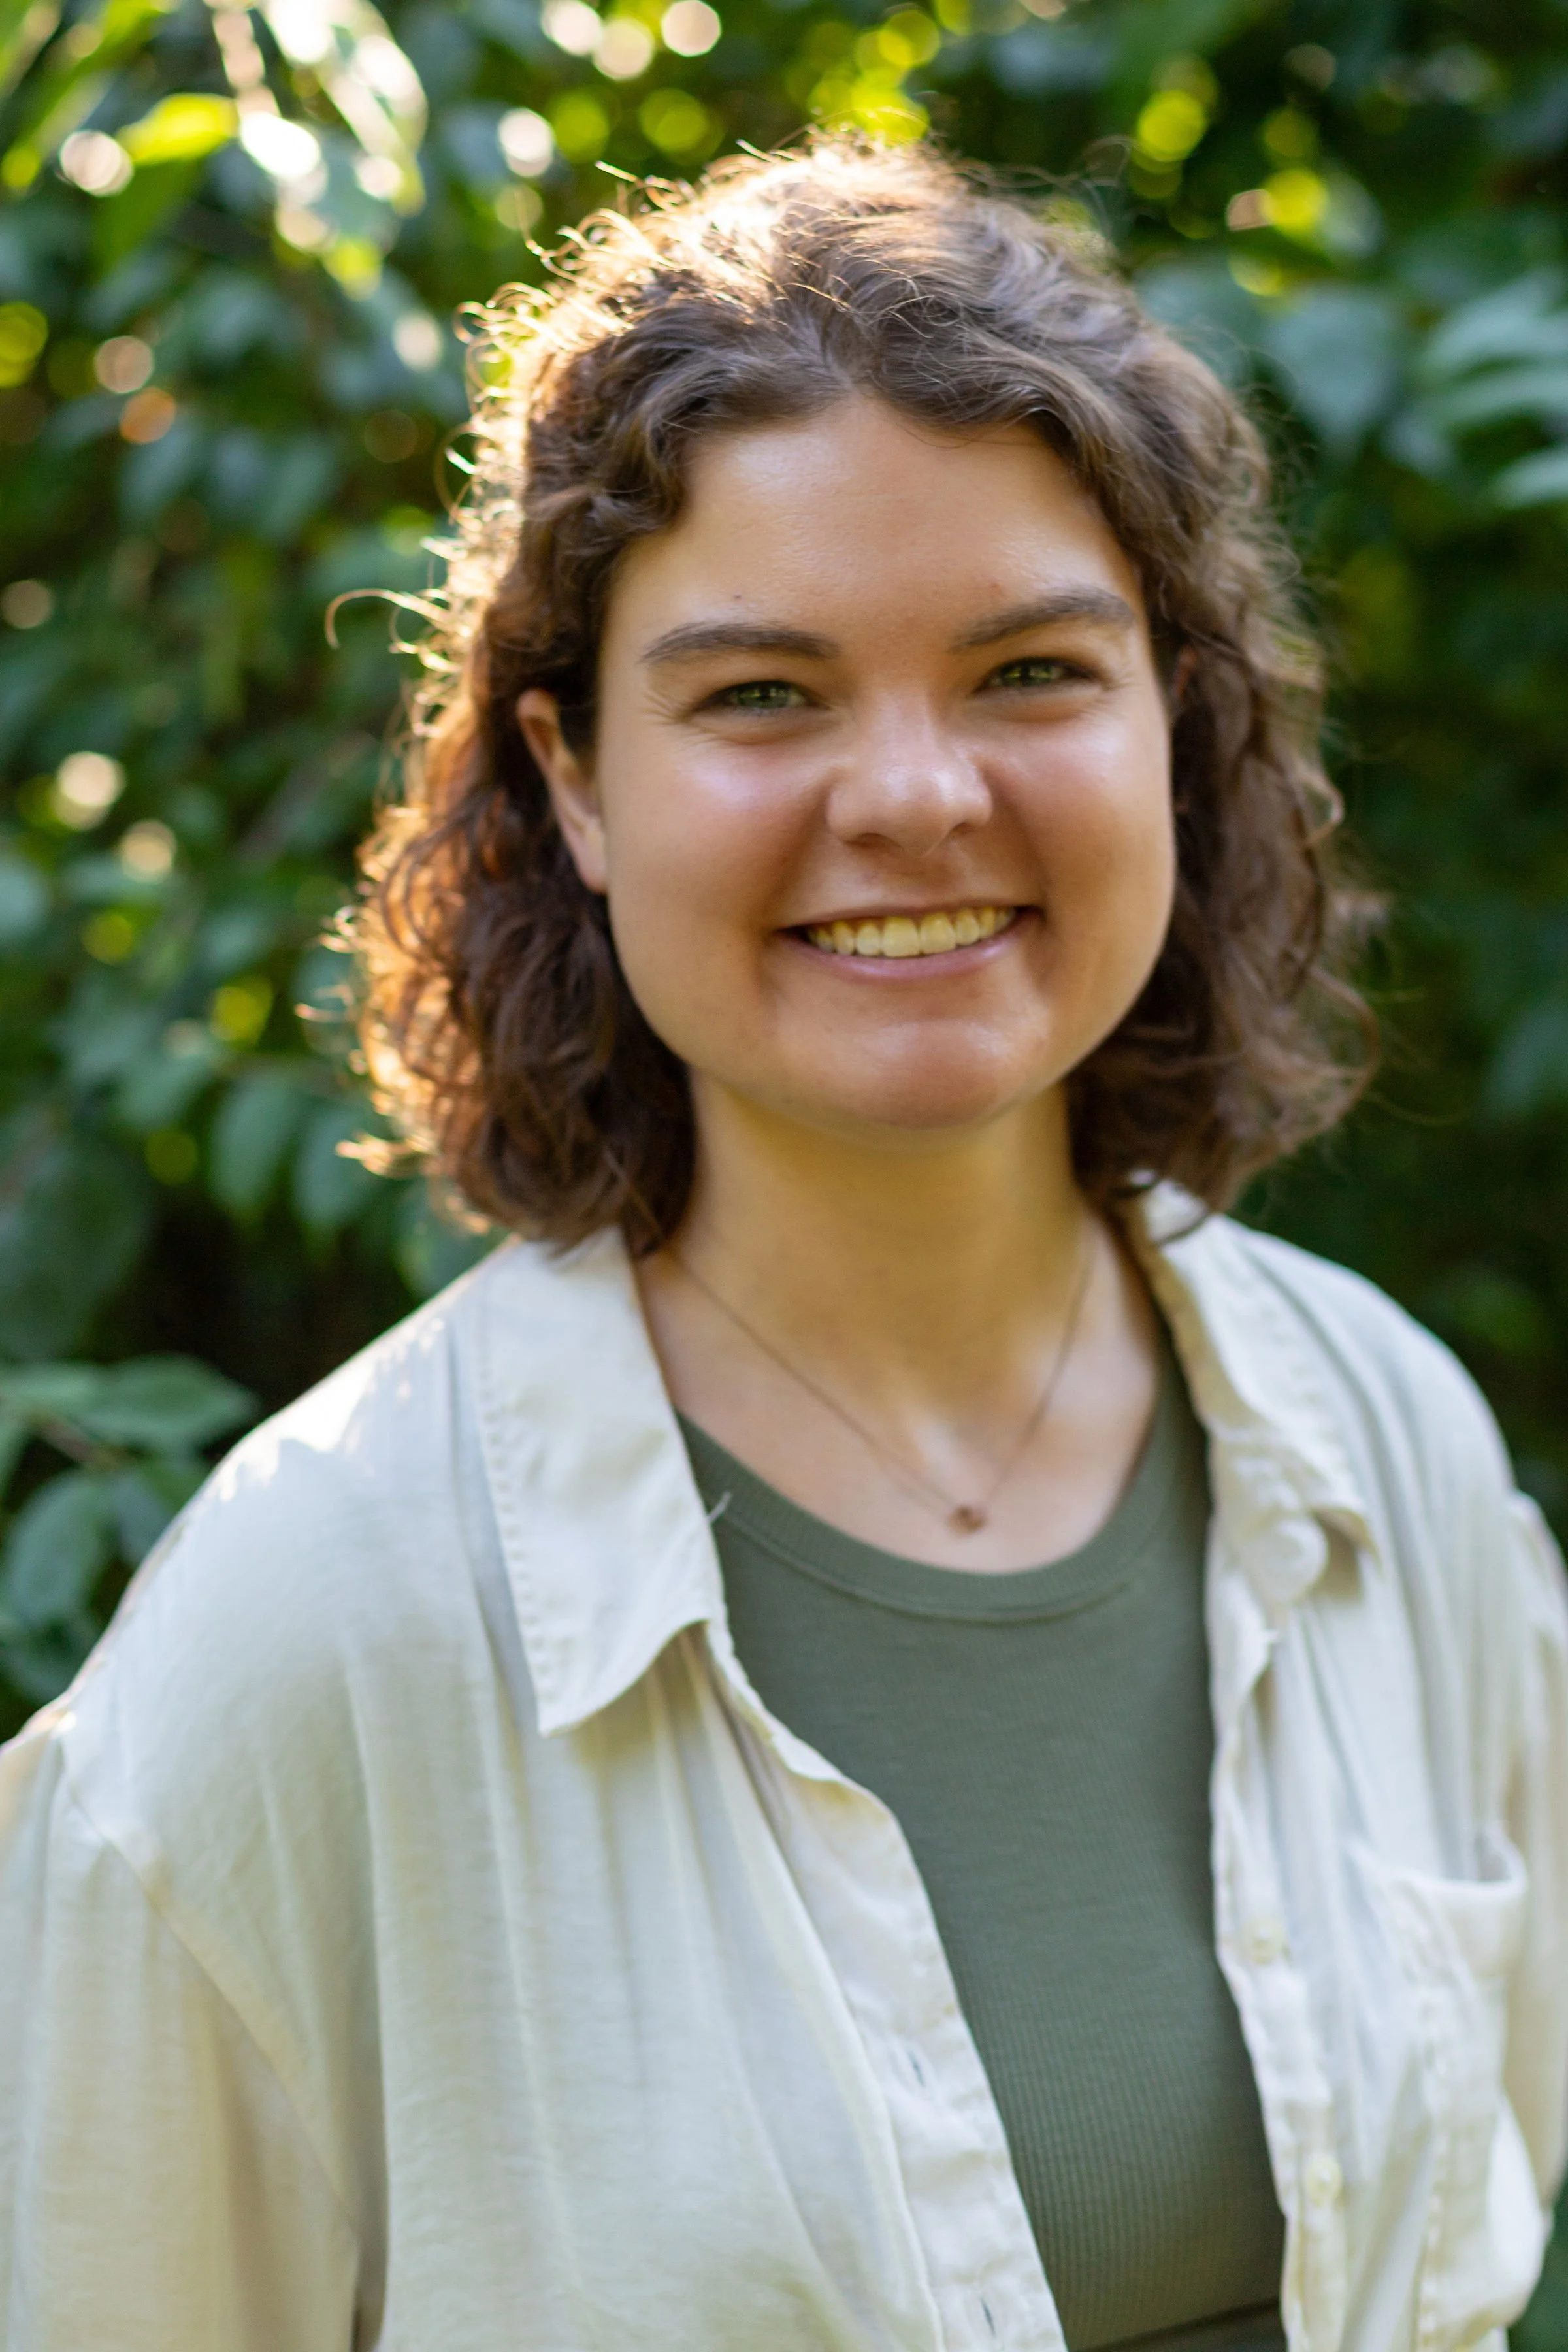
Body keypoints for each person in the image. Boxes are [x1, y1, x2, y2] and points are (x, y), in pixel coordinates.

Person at [1, 136, 1564, 2352]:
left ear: (1173, 723)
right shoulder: (301, 1649)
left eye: (1031, 671)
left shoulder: (1389, 1446)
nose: (917, 796)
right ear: (574, 779)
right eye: (763, 695)